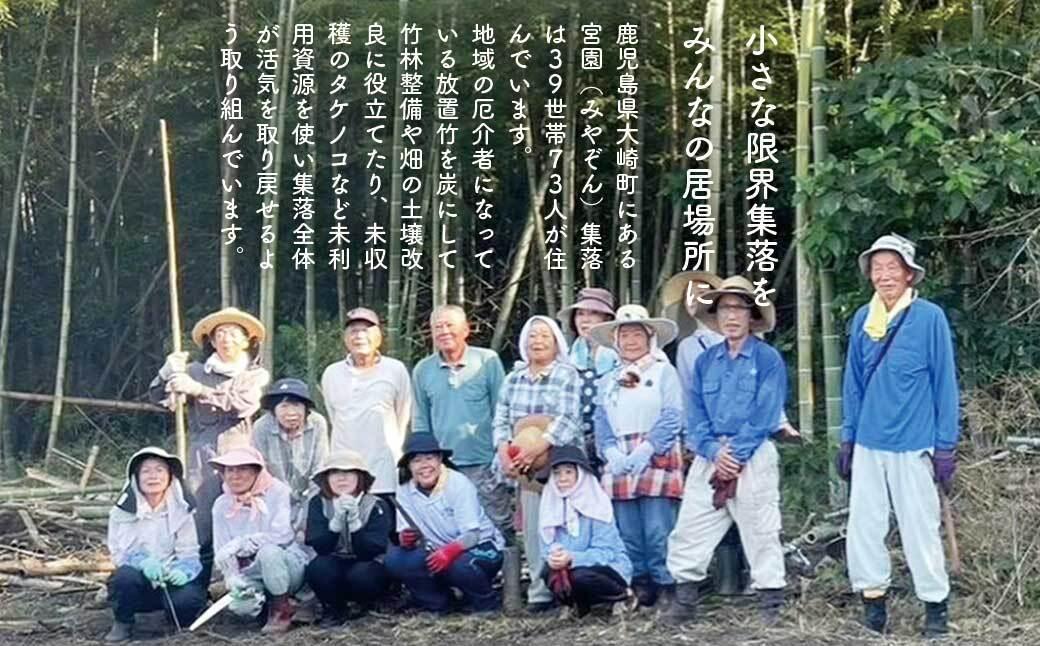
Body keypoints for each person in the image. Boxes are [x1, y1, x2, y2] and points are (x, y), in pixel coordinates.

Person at [837, 234, 960, 637]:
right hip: (869, 443)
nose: (884, 275)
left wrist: (945, 445)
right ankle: (874, 608)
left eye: (893, 268)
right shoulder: (862, 319)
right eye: (878, 268)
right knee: (864, 528)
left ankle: (935, 612)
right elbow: (853, 384)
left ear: (909, 274)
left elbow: (944, 383)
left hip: (914, 443)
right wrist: (848, 438)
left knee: (920, 528)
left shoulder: (929, 317)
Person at [664, 276, 788, 626]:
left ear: (751, 316)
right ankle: (685, 600)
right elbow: (696, 411)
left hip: (754, 453)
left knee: (761, 528)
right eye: (724, 309)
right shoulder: (705, 361)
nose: (731, 316)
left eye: (738, 308)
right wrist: (712, 451)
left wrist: (736, 454)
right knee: (691, 525)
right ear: (715, 316)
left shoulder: (768, 359)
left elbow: (766, 411)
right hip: (711, 453)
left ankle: (770, 603)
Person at [148, 307, 269, 584]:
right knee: (199, 520)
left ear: (246, 341)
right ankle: (194, 589)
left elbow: (242, 405)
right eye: (220, 334)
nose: (226, 339)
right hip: (202, 457)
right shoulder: (194, 371)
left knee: (243, 519)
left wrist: (199, 390)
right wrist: (167, 373)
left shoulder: (254, 375)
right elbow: (157, 397)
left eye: (233, 334)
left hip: (241, 458)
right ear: (212, 342)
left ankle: (248, 589)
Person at [589, 304, 684, 609]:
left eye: (636, 334)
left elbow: (672, 415)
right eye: (624, 334)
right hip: (619, 455)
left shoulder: (663, 371)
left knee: (658, 527)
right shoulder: (607, 378)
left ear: (650, 337)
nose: (631, 341)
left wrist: (648, 447)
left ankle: (666, 582)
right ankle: (640, 582)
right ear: (616, 340)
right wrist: (610, 451)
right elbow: (600, 420)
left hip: (655, 451)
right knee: (626, 526)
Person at [492, 315, 582, 612]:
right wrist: (505, 451)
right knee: (531, 528)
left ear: (557, 342)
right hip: (525, 466)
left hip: (560, 459)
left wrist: (539, 445)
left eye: (545, 336)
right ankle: (539, 592)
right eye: (532, 336)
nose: (538, 341)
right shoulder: (513, 378)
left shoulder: (567, 374)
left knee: (564, 526)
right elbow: (501, 420)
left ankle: (567, 591)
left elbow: (568, 419)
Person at [412, 305, 511, 541]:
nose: (444, 331)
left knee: (499, 522)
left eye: (450, 325)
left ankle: (509, 575)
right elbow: (421, 421)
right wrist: (424, 461)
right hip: (445, 465)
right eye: (438, 327)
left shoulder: (487, 360)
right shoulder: (423, 370)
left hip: (485, 460)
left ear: (466, 329)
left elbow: (502, 410)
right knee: (454, 526)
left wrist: (502, 452)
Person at [385, 434, 505, 614]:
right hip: (436, 550)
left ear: (440, 459)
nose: (424, 466)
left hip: (480, 546)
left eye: (429, 458)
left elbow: (472, 535)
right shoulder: (404, 487)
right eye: (417, 460)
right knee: (397, 559)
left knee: (460, 565)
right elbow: (405, 531)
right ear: (408, 465)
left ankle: (486, 603)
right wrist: (406, 539)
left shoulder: (458, 483)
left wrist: (450, 551)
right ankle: (439, 603)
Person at [105, 447, 206, 642]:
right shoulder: (121, 513)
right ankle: (123, 623)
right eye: (146, 471)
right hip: (138, 581)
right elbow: (119, 553)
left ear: (169, 477)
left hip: (169, 579)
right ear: (136, 477)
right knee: (124, 577)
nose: (153, 476)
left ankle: (171, 620)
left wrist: (182, 571)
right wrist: (143, 562)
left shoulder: (181, 511)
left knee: (188, 600)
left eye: (159, 470)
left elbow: (190, 553)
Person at [210, 447, 310, 634]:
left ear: (257, 471)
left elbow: (282, 536)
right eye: (229, 470)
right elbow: (222, 548)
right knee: (242, 607)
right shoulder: (221, 504)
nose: (235, 476)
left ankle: (282, 608)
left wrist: (241, 543)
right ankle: (266, 605)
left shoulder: (279, 492)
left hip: (286, 565)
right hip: (251, 570)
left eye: (242, 469)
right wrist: (232, 577)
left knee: (268, 552)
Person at [321, 307, 412, 505]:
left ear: (378, 336)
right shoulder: (331, 373)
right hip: (345, 471)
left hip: (385, 469)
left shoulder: (395, 369)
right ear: (345, 338)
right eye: (353, 331)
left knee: (384, 529)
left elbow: (402, 415)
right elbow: (333, 415)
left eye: (366, 330)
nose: (359, 336)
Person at [538, 445, 635, 618]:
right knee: (548, 572)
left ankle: (622, 596)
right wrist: (554, 556)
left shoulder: (596, 504)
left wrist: (573, 557)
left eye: (568, 472)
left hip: (606, 568)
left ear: (580, 475)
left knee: (581, 575)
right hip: (569, 567)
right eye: (557, 473)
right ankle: (577, 605)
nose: (562, 478)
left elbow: (606, 553)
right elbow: (546, 545)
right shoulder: (550, 504)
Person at [304, 450, 393, 627]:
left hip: (367, 564)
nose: (341, 478)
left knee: (362, 575)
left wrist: (354, 523)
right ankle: (334, 609)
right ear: (326, 478)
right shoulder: (318, 503)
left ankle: (365, 604)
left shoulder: (377, 505)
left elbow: (372, 550)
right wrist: (335, 523)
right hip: (335, 562)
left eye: (348, 473)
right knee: (318, 568)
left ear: (359, 477)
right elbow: (320, 547)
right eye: (335, 473)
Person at [252, 377, 330, 541]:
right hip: (272, 497)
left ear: (306, 408)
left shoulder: (317, 423)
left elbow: (320, 469)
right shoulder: (261, 427)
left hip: (310, 495)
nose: (291, 412)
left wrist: (306, 514)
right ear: (274, 410)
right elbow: (259, 471)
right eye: (284, 406)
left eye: (296, 405)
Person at [557, 288, 620, 474]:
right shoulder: (566, 357)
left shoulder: (623, 355)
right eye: (580, 314)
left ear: (607, 320)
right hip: (575, 442)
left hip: (615, 441)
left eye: (593, 313)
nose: (585, 320)